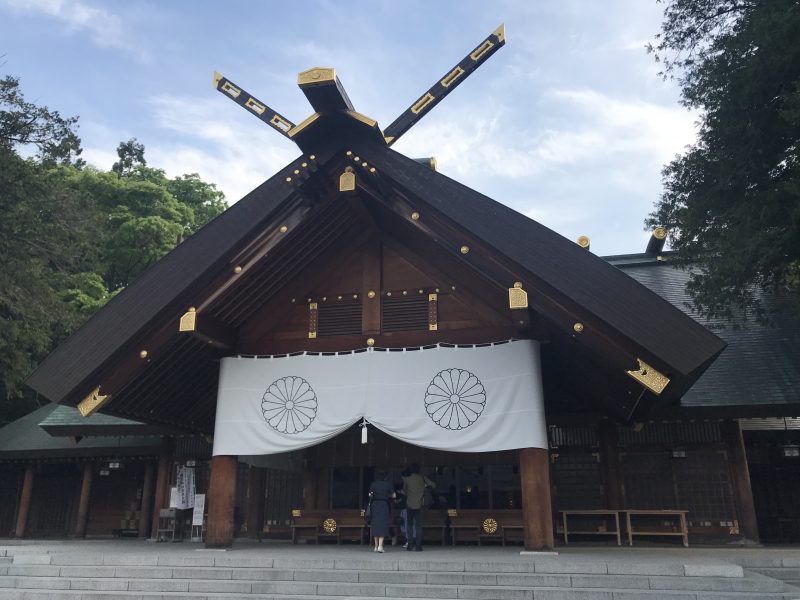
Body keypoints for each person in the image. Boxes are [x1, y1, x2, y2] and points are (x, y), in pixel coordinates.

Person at [402, 463, 435, 551]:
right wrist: (426, 487)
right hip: (419, 504)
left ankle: (410, 545)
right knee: (418, 525)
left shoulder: (406, 479)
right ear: (418, 470)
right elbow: (433, 485)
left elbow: (405, 492)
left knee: (409, 524)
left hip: (409, 504)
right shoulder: (422, 478)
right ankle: (418, 546)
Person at [368, 469, 395, 553]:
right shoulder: (388, 484)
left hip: (375, 505)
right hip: (384, 505)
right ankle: (380, 546)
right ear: (385, 477)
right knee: (383, 524)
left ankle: (376, 546)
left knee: (375, 524)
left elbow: (369, 494)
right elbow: (394, 495)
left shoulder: (373, 484)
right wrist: (387, 495)